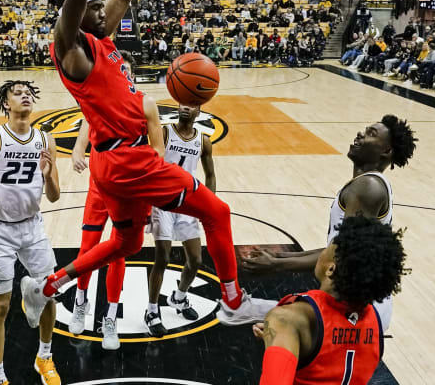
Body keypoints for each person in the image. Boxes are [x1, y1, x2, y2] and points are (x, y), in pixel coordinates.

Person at [21, 0, 252, 331]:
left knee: (126, 243)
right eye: (92, 7)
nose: (101, 9)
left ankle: (48, 286)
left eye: (99, 6)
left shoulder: (102, 40)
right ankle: (234, 300)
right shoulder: (72, 49)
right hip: (127, 159)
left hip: (115, 164)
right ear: (74, 14)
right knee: (217, 212)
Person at [243, 115, 417, 331]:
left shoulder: (368, 188)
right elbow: (336, 247)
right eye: (365, 129)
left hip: (361, 306)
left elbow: (346, 254)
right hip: (356, 299)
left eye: (371, 134)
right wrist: (278, 257)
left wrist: (277, 265)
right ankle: (250, 310)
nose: (361, 134)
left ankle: (249, 310)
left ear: (386, 151)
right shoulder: (366, 183)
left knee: (289, 332)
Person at [0, 80, 61, 385]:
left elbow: (55, 196)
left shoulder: (46, 140)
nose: (25, 95)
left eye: (28, 92)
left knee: (49, 294)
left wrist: (47, 176)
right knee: (0, 305)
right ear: (6, 104)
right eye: (17, 93)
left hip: (33, 227)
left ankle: (44, 357)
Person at [69, 54, 165, 350]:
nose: (123, 74)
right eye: (119, 70)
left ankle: (110, 319)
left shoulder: (146, 103)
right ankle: (80, 300)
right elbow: (88, 123)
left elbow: (158, 151)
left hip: (130, 189)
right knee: (88, 247)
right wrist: (78, 149)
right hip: (100, 182)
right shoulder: (101, 98)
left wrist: (147, 193)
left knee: (118, 252)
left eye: (127, 71)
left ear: (131, 76)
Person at [253, 216, 408, 385]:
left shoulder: (287, 319)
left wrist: (280, 337)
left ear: (331, 269)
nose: (322, 250)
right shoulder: (375, 324)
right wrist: (287, 341)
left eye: (328, 247)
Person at [145, 104, 216, 336]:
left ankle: (179, 297)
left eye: (192, 105)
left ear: (199, 111)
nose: (186, 107)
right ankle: (152, 310)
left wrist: (210, 205)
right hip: (163, 202)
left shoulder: (204, 141)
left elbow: (210, 174)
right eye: (182, 103)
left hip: (189, 203)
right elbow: (148, 168)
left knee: (195, 260)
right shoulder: (165, 133)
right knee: (162, 258)